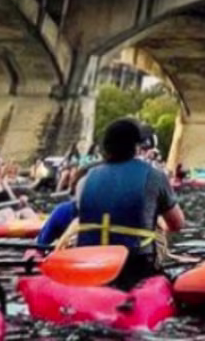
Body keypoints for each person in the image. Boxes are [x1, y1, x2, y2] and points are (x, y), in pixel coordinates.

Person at [74, 118, 185, 289]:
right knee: (156, 235)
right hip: (133, 264)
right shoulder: (155, 176)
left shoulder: (85, 179)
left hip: (88, 260)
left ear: (105, 148)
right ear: (137, 147)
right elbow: (177, 224)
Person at [0, 149, 37, 223]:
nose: (4, 167)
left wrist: (21, 201)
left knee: (28, 212)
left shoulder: (2, 182)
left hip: (9, 213)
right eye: (2, 164)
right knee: (7, 212)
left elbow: (13, 201)